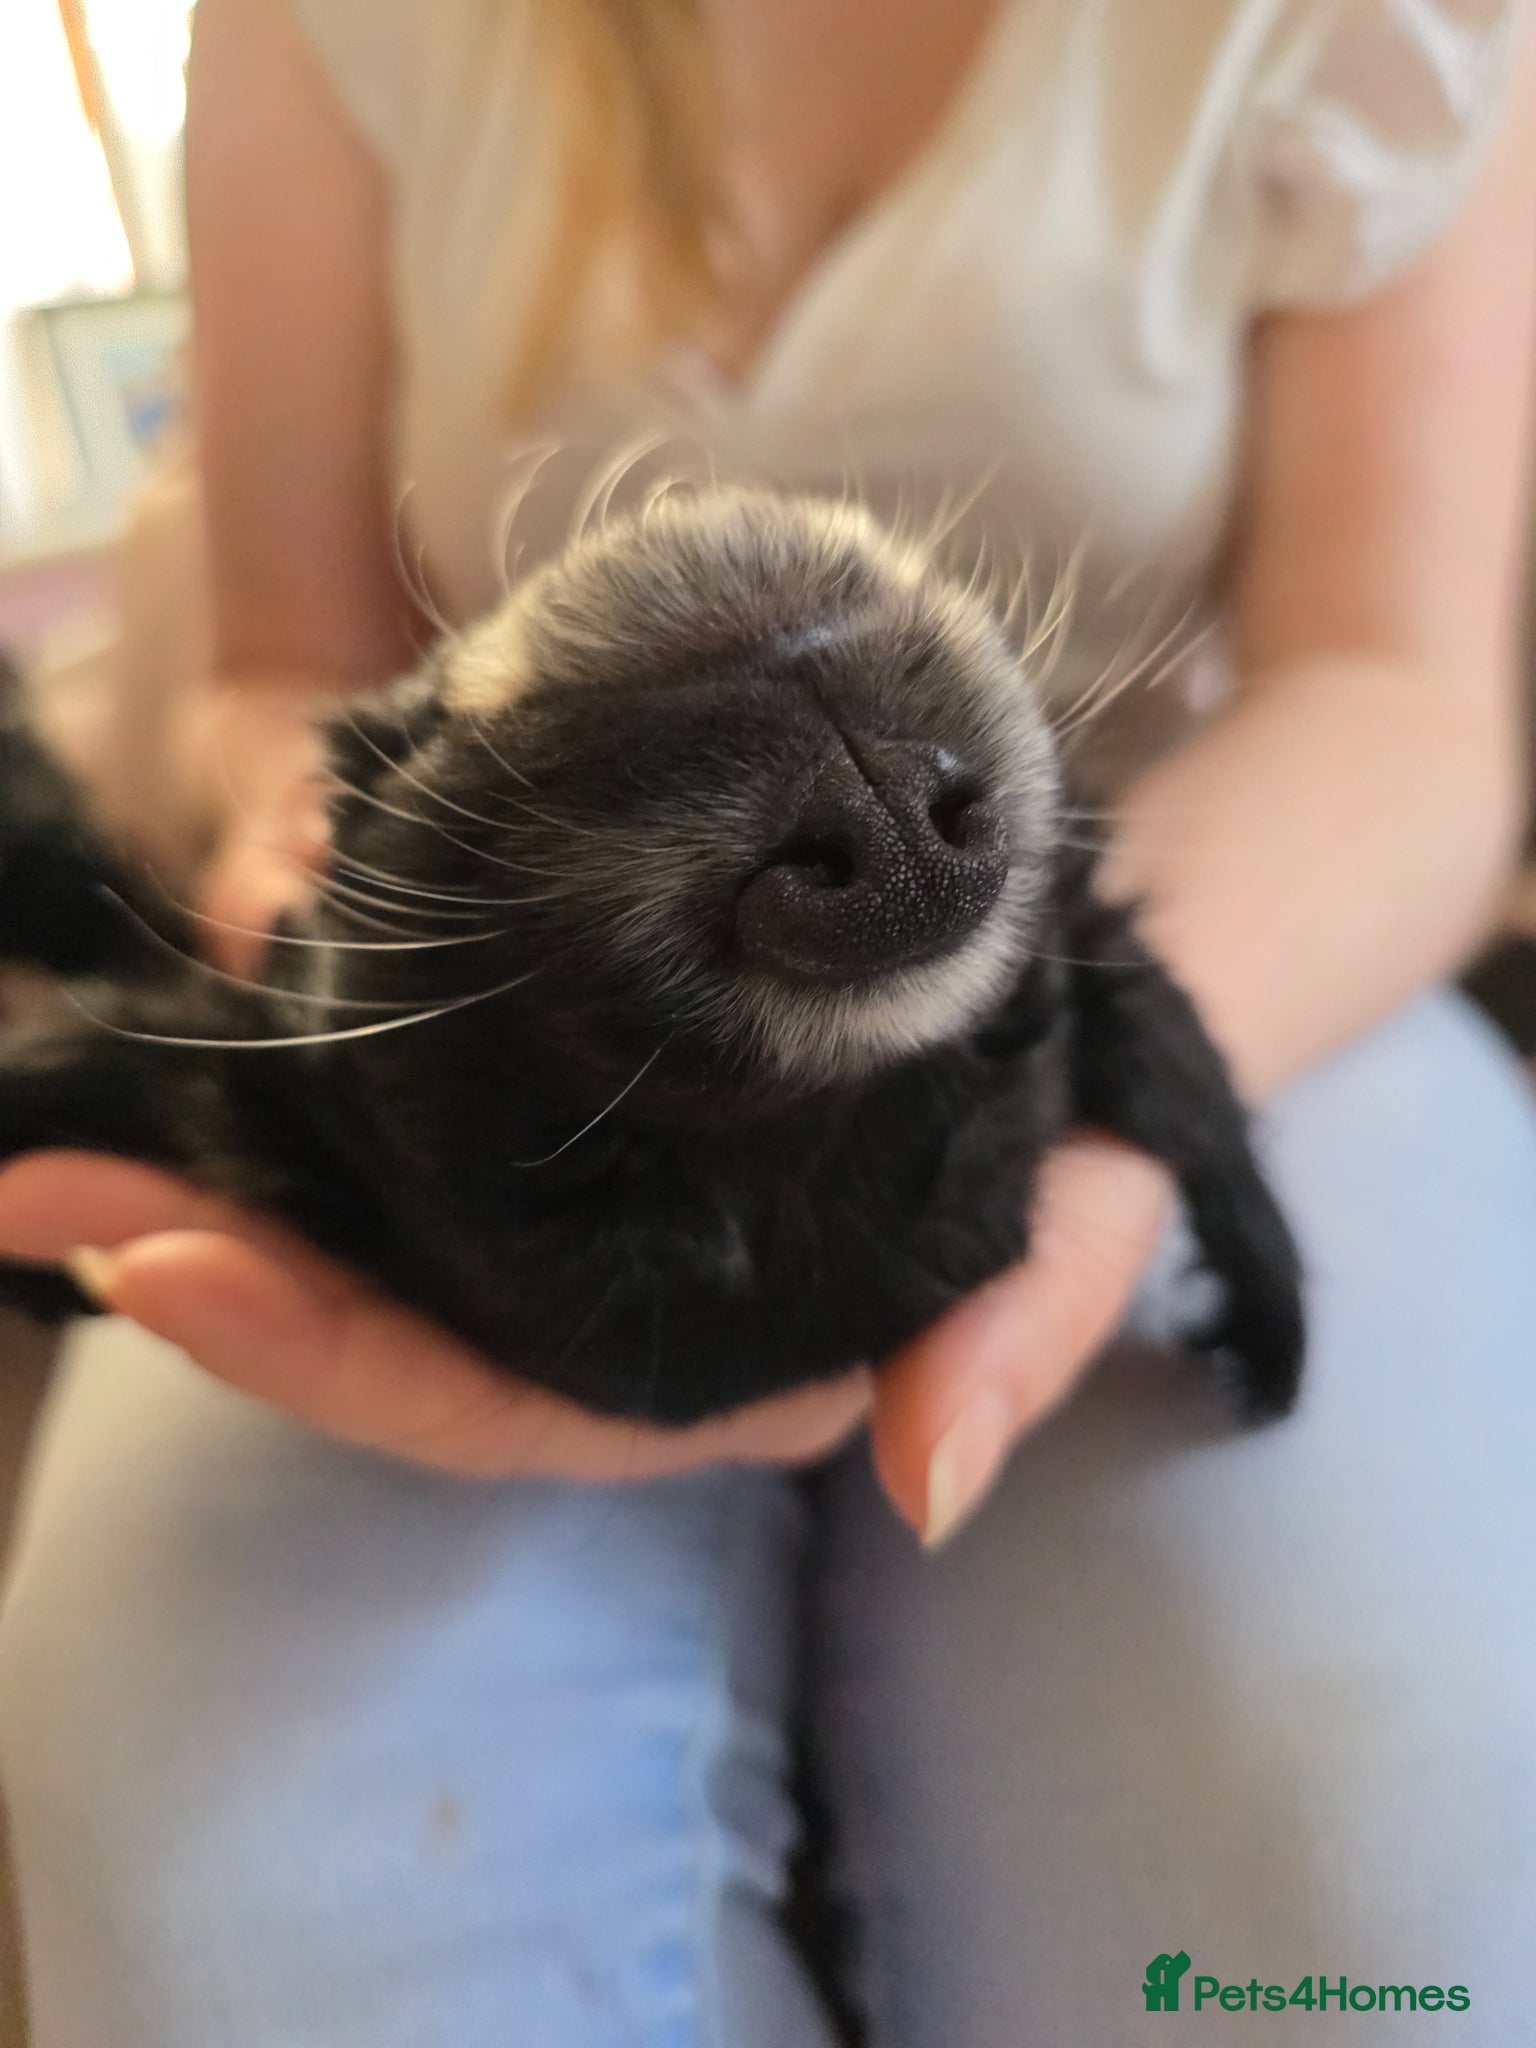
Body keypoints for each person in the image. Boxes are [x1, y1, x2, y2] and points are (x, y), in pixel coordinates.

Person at [2, 0, 1535, 2040]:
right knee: (262, 1943)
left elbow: (1393, 684)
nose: (887, 871)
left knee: (1362, 1918)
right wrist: (281, 812)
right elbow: (292, 653)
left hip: (1238, 903)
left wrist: (1102, 1154)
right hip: (1075, 963)